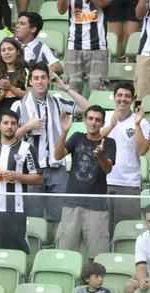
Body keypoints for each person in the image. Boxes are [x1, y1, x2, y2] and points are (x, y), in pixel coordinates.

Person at [14, 65, 88, 223]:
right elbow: (10, 137)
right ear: (30, 82)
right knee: (33, 220)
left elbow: (87, 108)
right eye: (36, 78)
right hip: (32, 170)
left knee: (60, 218)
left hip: (57, 168)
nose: (40, 81)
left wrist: (66, 88)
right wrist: (27, 127)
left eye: (43, 77)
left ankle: (56, 247)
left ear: (48, 80)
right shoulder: (19, 105)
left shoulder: (58, 99)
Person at [54, 104, 116, 261]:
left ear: (102, 123)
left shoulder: (109, 142)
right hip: (72, 204)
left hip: (97, 207)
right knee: (65, 253)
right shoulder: (76, 137)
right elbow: (57, 155)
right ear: (84, 120)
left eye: (97, 120)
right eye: (90, 118)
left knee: (98, 256)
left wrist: (100, 155)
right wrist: (64, 132)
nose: (93, 122)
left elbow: (108, 169)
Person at [0, 108, 42, 253]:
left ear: (18, 125)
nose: (9, 126)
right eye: (6, 123)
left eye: (13, 123)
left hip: (16, 210)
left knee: (17, 251)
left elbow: (37, 178)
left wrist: (17, 176)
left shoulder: (26, 148)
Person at [101, 82, 150, 234]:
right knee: (102, 231)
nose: (123, 99)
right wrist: (111, 125)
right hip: (103, 181)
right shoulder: (104, 116)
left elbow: (142, 151)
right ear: (114, 97)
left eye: (127, 96)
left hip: (129, 183)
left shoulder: (141, 121)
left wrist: (136, 125)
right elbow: (93, 141)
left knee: (126, 231)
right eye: (120, 95)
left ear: (133, 99)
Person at [57, 0, 110, 92]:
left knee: (97, 87)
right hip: (73, 46)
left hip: (98, 47)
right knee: (71, 88)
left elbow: (104, 3)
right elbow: (61, 10)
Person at [0, 37, 28, 138]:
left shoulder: (26, 72)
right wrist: (3, 93)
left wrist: (10, 87)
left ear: (18, 52)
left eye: (10, 49)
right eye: (3, 50)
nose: (7, 53)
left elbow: (29, 96)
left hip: (20, 117)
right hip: (1, 117)